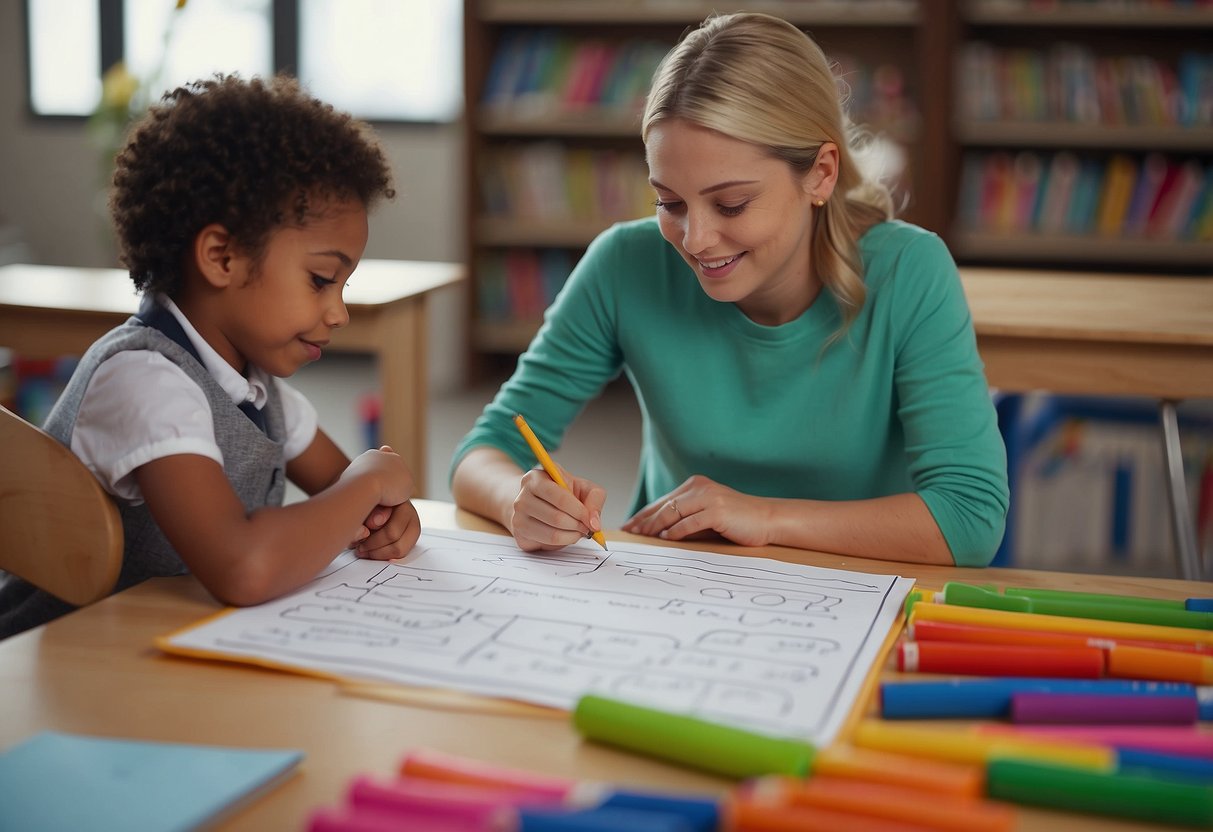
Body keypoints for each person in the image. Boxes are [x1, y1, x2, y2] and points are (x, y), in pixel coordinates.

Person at [450, 12, 1009, 567]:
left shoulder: (910, 270)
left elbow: (970, 516)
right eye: (669, 202)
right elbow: (485, 450)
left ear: (820, 174)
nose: (695, 239)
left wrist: (764, 518)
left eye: (731, 204)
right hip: (676, 590)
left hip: (855, 594)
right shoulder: (625, 263)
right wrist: (517, 498)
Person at [0, 74, 420, 639]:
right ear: (221, 257)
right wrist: (368, 486)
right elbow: (243, 566)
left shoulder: (261, 395)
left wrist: (387, 518)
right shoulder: (146, 382)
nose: (339, 313)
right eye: (321, 279)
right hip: (63, 660)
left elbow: (354, 504)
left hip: (160, 651)